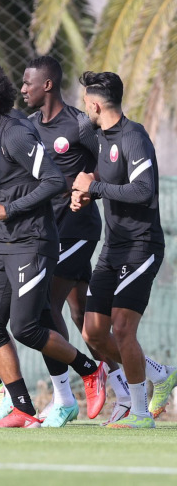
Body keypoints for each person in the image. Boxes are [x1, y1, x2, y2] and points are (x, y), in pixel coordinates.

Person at [0, 58, 106, 428]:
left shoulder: (15, 133)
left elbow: (54, 180)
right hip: (3, 241)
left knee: (26, 327)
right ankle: (22, 408)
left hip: (34, 241)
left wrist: (9, 208)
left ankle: (90, 370)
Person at [71, 71, 177, 428]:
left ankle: (140, 413)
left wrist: (95, 188)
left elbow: (143, 190)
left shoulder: (134, 137)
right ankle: (161, 375)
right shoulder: (97, 136)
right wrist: (86, 189)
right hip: (113, 247)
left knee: (121, 328)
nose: (84, 109)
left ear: (95, 104)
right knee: (93, 332)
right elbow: (104, 178)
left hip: (141, 245)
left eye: (85, 104)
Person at [20, 55, 121, 417]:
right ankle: (132, 385)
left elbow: (108, 166)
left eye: (27, 83)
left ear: (46, 84)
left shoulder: (79, 125)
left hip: (77, 230)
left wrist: (87, 186)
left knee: (45, 305)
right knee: (84, 320)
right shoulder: (29, 126)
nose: (22, 90)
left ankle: (64, 397)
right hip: (48, 232)